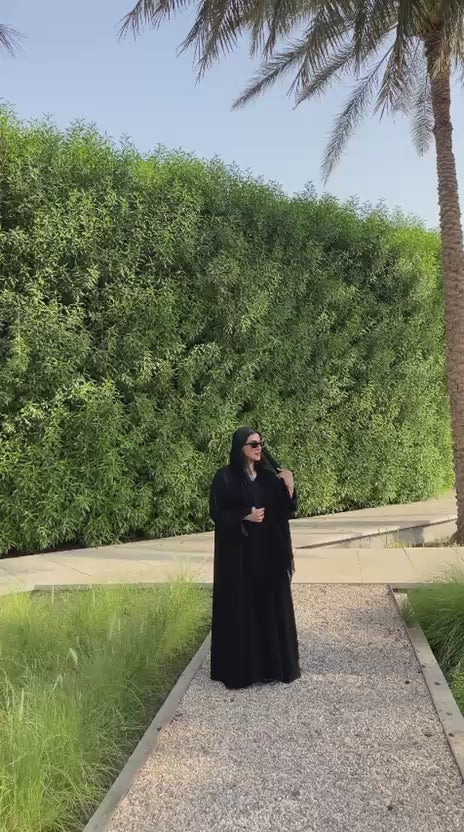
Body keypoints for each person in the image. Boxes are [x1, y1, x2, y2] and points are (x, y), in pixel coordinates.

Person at [209, 426, 301, 689]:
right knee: (243, 608)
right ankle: (243, 671)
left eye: (261, 443)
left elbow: (287, 510)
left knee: (268, 607)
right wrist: (244, 516)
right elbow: (216, 512)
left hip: (268, 554)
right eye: (253, 444)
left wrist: (290, 486)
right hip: (239, 558)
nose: (259, 448)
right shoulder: (225, 478)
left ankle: (272, 668)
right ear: (240, 448)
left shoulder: (269, 478)